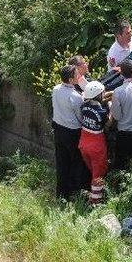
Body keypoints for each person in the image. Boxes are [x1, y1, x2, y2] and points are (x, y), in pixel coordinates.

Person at [51, 65, 88, 200]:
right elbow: (80, 117)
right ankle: (76, 193)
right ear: (71, 80)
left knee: (61, 162)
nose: (79, 76)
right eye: (77, 75)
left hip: (58, 129)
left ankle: (61, 194)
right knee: (76, 163)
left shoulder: (55, 89)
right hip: (73, 133)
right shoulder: (76, 96)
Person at [78, 81, 110, 205]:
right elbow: (109, 124)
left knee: (92, 171)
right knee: (98, 174)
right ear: (99, 95)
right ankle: (95, 203)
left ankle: (92, 194)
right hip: (96, 146)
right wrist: (111, 108)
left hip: (83, 143)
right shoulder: (102, 112)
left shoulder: (83, 106)